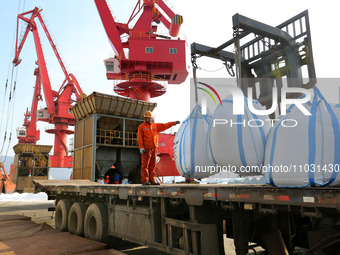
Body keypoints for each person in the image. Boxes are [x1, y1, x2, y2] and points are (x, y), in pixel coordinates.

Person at [138, 110, 180, 185]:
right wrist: (141, 147)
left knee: (153, 165)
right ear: (145, 118)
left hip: (154, 148)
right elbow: (140, 138)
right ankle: (145, 181)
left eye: (150, 118)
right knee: (145, 165)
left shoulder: (155, 126)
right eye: (148, 118)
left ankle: (152, 180)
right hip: (146, 149)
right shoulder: (141, 127)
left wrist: (173, 123)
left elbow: (165, 125)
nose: (150, 119)